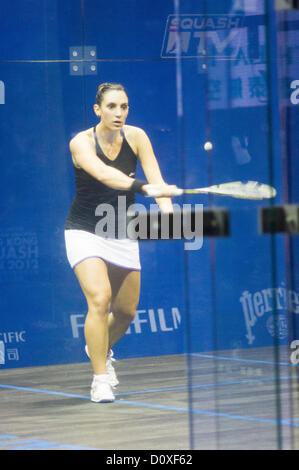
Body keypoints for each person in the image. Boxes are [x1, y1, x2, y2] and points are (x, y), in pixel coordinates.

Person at [65, 83, 181, 403]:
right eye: (112, 106)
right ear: (97, 109)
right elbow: (105, 175)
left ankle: (99, 346)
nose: (119, 113)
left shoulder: (137, 136)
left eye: (124, 107)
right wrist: (145, 189)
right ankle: (100, 378)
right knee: (100, 300)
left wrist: (167, 211)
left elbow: (156, 177)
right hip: (84, 231)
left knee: (126, 311)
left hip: (121, 231)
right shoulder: (81, 143)